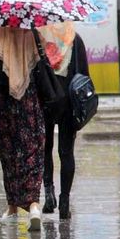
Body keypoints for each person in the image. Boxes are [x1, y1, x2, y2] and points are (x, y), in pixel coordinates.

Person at [0, 27, 45, 231]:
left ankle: (13, 208)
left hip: (5, 103)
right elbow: (42, 69)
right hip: (30, 101)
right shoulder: (33, 37)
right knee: (32, 152)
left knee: (9, 154)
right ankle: (34, 205)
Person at [38, 23, 89, 219]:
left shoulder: (40, 39)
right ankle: (65, 201)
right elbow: (84, 76)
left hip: (45, 101)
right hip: (69, 103)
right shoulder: (75, 39)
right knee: (66, 152)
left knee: (45, 149)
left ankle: (49, 195)